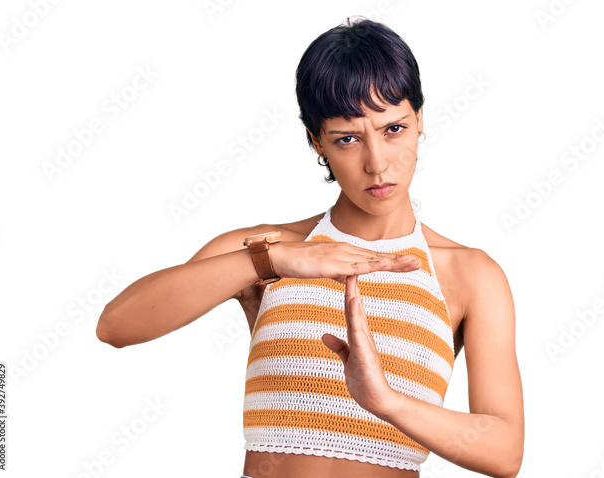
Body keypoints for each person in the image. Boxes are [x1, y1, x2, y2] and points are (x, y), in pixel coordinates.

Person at [96, 17, 524, 478]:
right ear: (316, 141)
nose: (376, 163)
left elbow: (505, 452)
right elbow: (116, 326)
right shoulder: (266, 250)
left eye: (393, 129)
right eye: (348, 138)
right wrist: (270, 260)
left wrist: (386, 401)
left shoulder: (469, 275)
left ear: (420, 119)